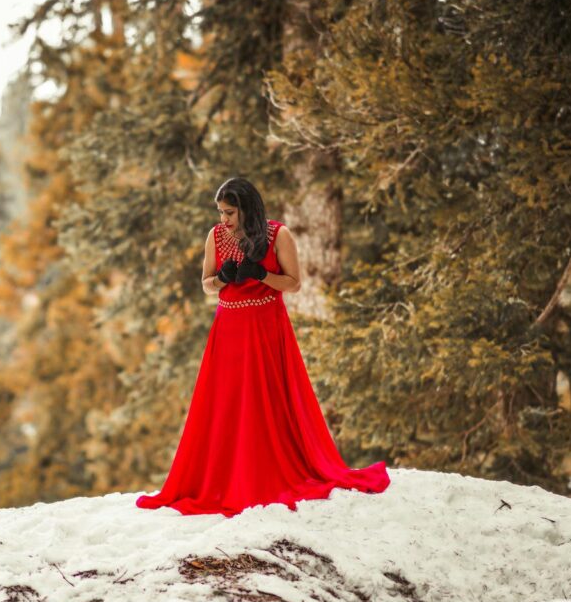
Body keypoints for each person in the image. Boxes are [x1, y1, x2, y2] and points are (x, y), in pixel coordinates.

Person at [136, 177, 391, 517]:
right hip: (229, 329)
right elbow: (206, 285)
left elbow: (295, 283)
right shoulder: (215, 236)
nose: (224, 219)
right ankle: (229, 478)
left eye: (229, 212)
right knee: (227, 403)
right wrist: (223, 279)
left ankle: (266, 473)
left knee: (267, 399)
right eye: (221, 212)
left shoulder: (278, 235)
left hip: (267, 326)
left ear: (247, 208)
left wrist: (261, 275)